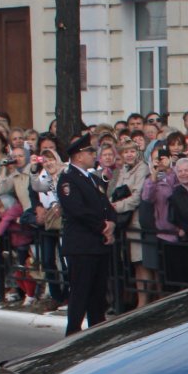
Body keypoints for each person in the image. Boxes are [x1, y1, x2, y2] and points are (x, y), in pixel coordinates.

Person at [56, 136, 115, 335]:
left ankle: (96, 334)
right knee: (80, 293)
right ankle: (72, 335)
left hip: (98, 245)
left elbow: (106, 205)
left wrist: (111, 224)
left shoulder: (93, 179)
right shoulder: (68, 180)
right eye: (90, 152)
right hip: (82, 246)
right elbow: (77, 210)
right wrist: (102, 227)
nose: (93, 156)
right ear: (79, 156)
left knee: (97, 296)